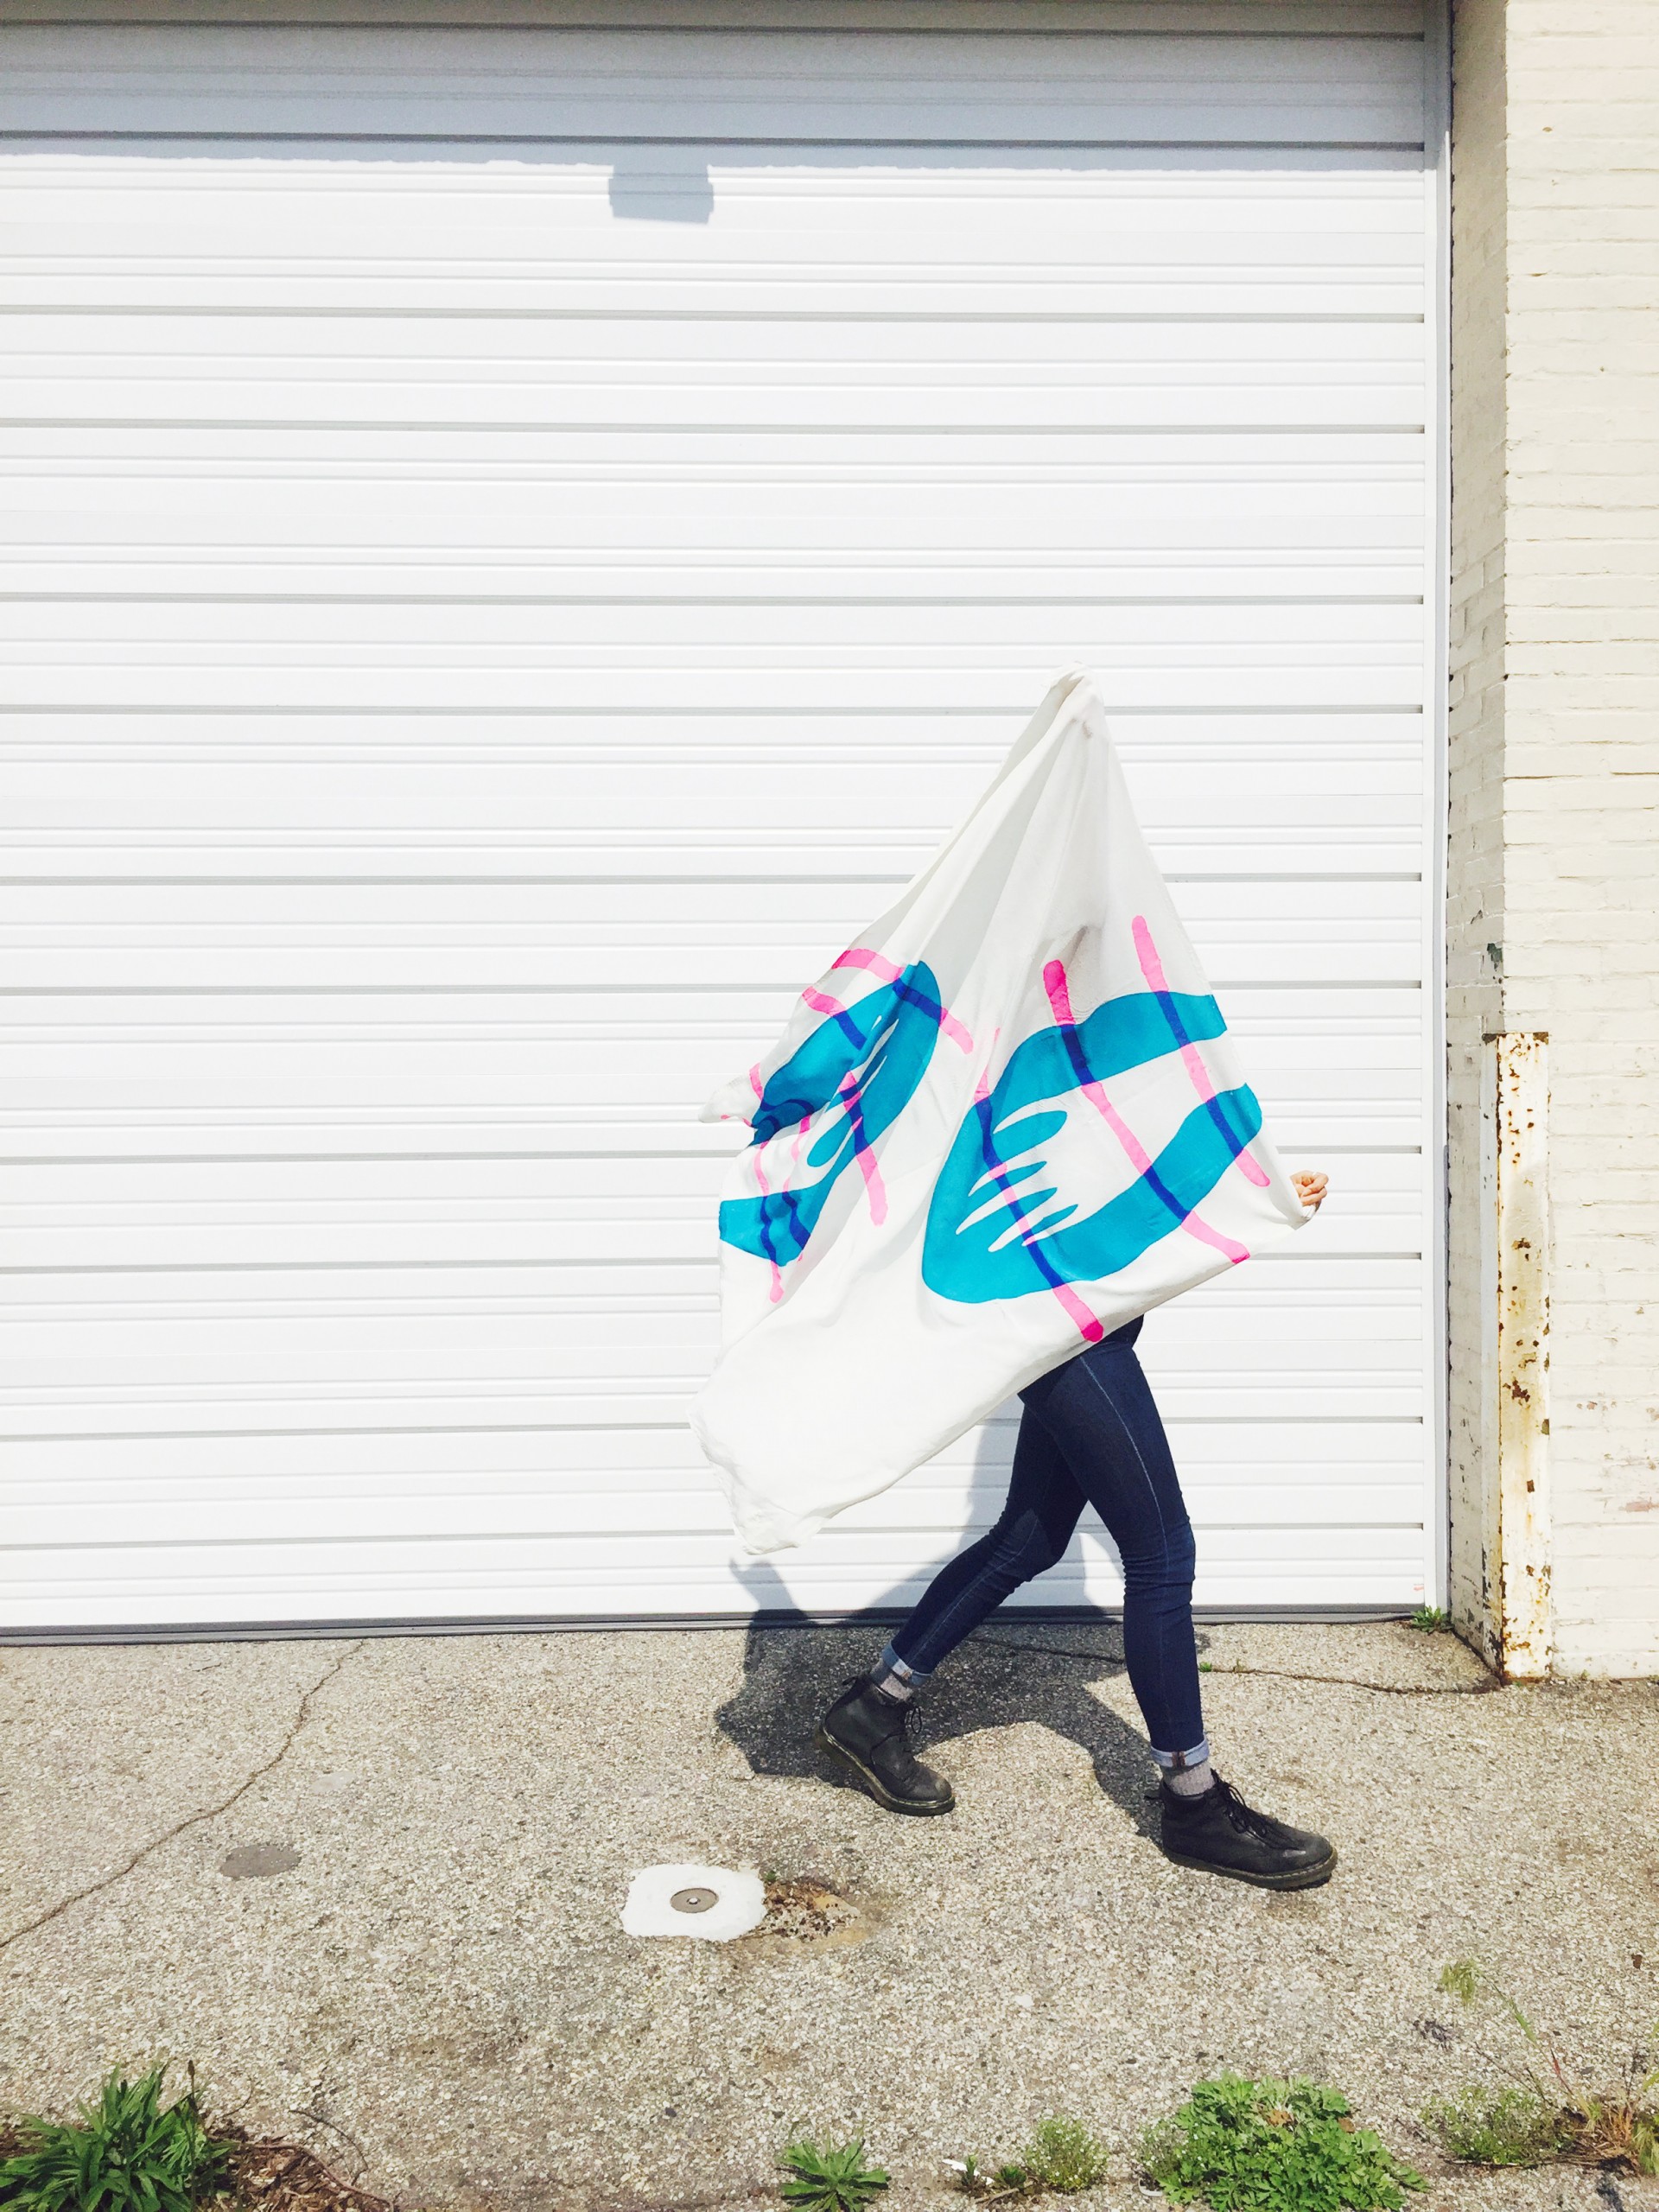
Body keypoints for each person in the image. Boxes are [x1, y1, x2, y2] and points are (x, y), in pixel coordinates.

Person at [816, 1169, 1334, 1890]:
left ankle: (872, 1707)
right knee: (1160, 1554)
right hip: (1064, 1326)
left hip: (1080, 1320)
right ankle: (1192, 1804)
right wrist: (1253, 1202)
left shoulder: (1079, 1076)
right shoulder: (1028, 1067)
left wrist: (1256, 1200)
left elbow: (1122, 1193)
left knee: (1028, 1540)